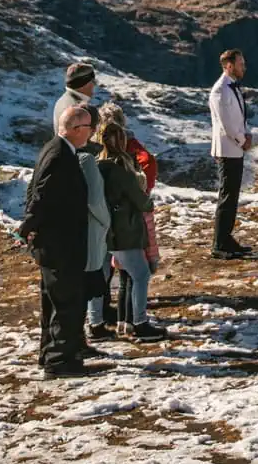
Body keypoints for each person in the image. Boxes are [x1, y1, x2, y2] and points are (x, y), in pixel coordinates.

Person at [22, 104, 94, 377]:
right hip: (60, 243)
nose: (92, 132)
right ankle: (60, 361)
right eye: (88, 127)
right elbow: (41, 195)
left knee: (52, 301)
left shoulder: (55, 148)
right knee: (66, 301)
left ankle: (49, 354)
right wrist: (27, 227)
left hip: (54, 242)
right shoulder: (60, 155)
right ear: (76, 129)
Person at [97, 109, 167, 342]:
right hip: (125, 228)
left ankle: (96, 323)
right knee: (140, 274)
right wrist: (146, 197)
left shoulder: (97, 164)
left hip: (104, 230)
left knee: (101, 274)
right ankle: (139, 322)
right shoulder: (121, 168)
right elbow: (141, 199)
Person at [208, 49, 254, 258]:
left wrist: (247, 133)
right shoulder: (220, 90)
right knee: (226, 195)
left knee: (233, 195)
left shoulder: (232, 88)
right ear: (229, 65)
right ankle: (219, 244)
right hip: (228, 149)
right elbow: (226, 123)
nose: (243, 67)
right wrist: (242, 140)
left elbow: (239, 117)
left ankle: (227, 238)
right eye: (240, 63)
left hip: (235, 148)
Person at [77, 110, 115, 341]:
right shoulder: (86, 160)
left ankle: (91, 322)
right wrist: (107, 221)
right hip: (94, 228)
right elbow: (95, 200)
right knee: (98, 273)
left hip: (76, 229)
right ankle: (95, 323)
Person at [52, 62, 102, 137]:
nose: (94, 85)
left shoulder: (62, 100)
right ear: (85, 84)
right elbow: (82, 143)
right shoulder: (79, 110)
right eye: (93, 81)